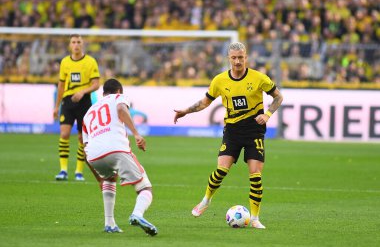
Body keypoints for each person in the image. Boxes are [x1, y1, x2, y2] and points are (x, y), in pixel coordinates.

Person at [174, 42, 283, 229]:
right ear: (229, 58)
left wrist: (268, 114)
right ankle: (205, 201)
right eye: (234, 58)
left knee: (255, 175)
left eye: (241, 57)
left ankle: (255, 218)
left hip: (253, 131)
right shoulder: (219, 81)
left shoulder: (259, 78)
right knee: (221, 170)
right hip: (232, 131)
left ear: (246, 57)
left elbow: (278, 97)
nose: (238, 61)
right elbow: (204, 102)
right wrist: (186, 111)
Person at [82, 78, 158, 235]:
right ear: (119, 91)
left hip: (93, 155)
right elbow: (122, 110)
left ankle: (109, 224)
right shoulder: (119, 97)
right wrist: (136, 134)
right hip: (116, 148)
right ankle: (137, 214)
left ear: (103, 94)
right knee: (145, 187)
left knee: (109, 179)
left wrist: (99, 178)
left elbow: (84, 149)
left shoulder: (88, 113)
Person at [53, 34, 100, 181]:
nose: (76, 45)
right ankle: (63, 170)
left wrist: (82, 91)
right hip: (67, 101)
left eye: (78, 42)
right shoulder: (65, 62)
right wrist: (56, 106)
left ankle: (79, 172)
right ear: (70, 45)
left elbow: (96, 83)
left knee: (81, 137)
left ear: (82, 44)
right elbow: (61, 84)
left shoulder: (90, 61)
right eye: (73, 42)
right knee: (64, 134)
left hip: (84, 102)